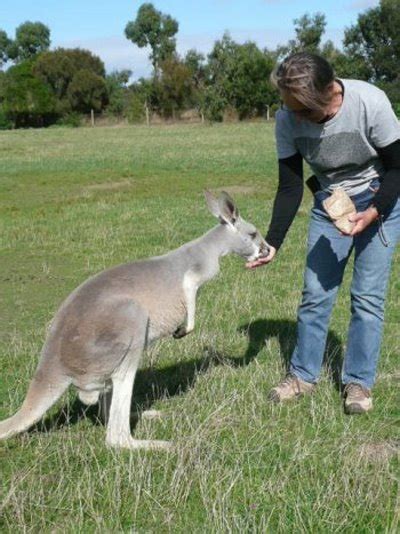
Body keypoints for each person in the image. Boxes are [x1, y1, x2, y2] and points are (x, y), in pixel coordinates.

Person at [247, 52, 400, 414]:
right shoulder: (287, 117)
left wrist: (374, 211)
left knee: (367, 297)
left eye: (304, 111)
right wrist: (274, 241)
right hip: (330, 202)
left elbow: (398, 167)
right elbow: (289, 187)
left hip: (381, 199)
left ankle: (358, 383)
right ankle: (302, 375)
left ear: (331, 92)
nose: (295, 118)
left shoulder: (369, 101)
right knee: (316, 294)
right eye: (290, 109)